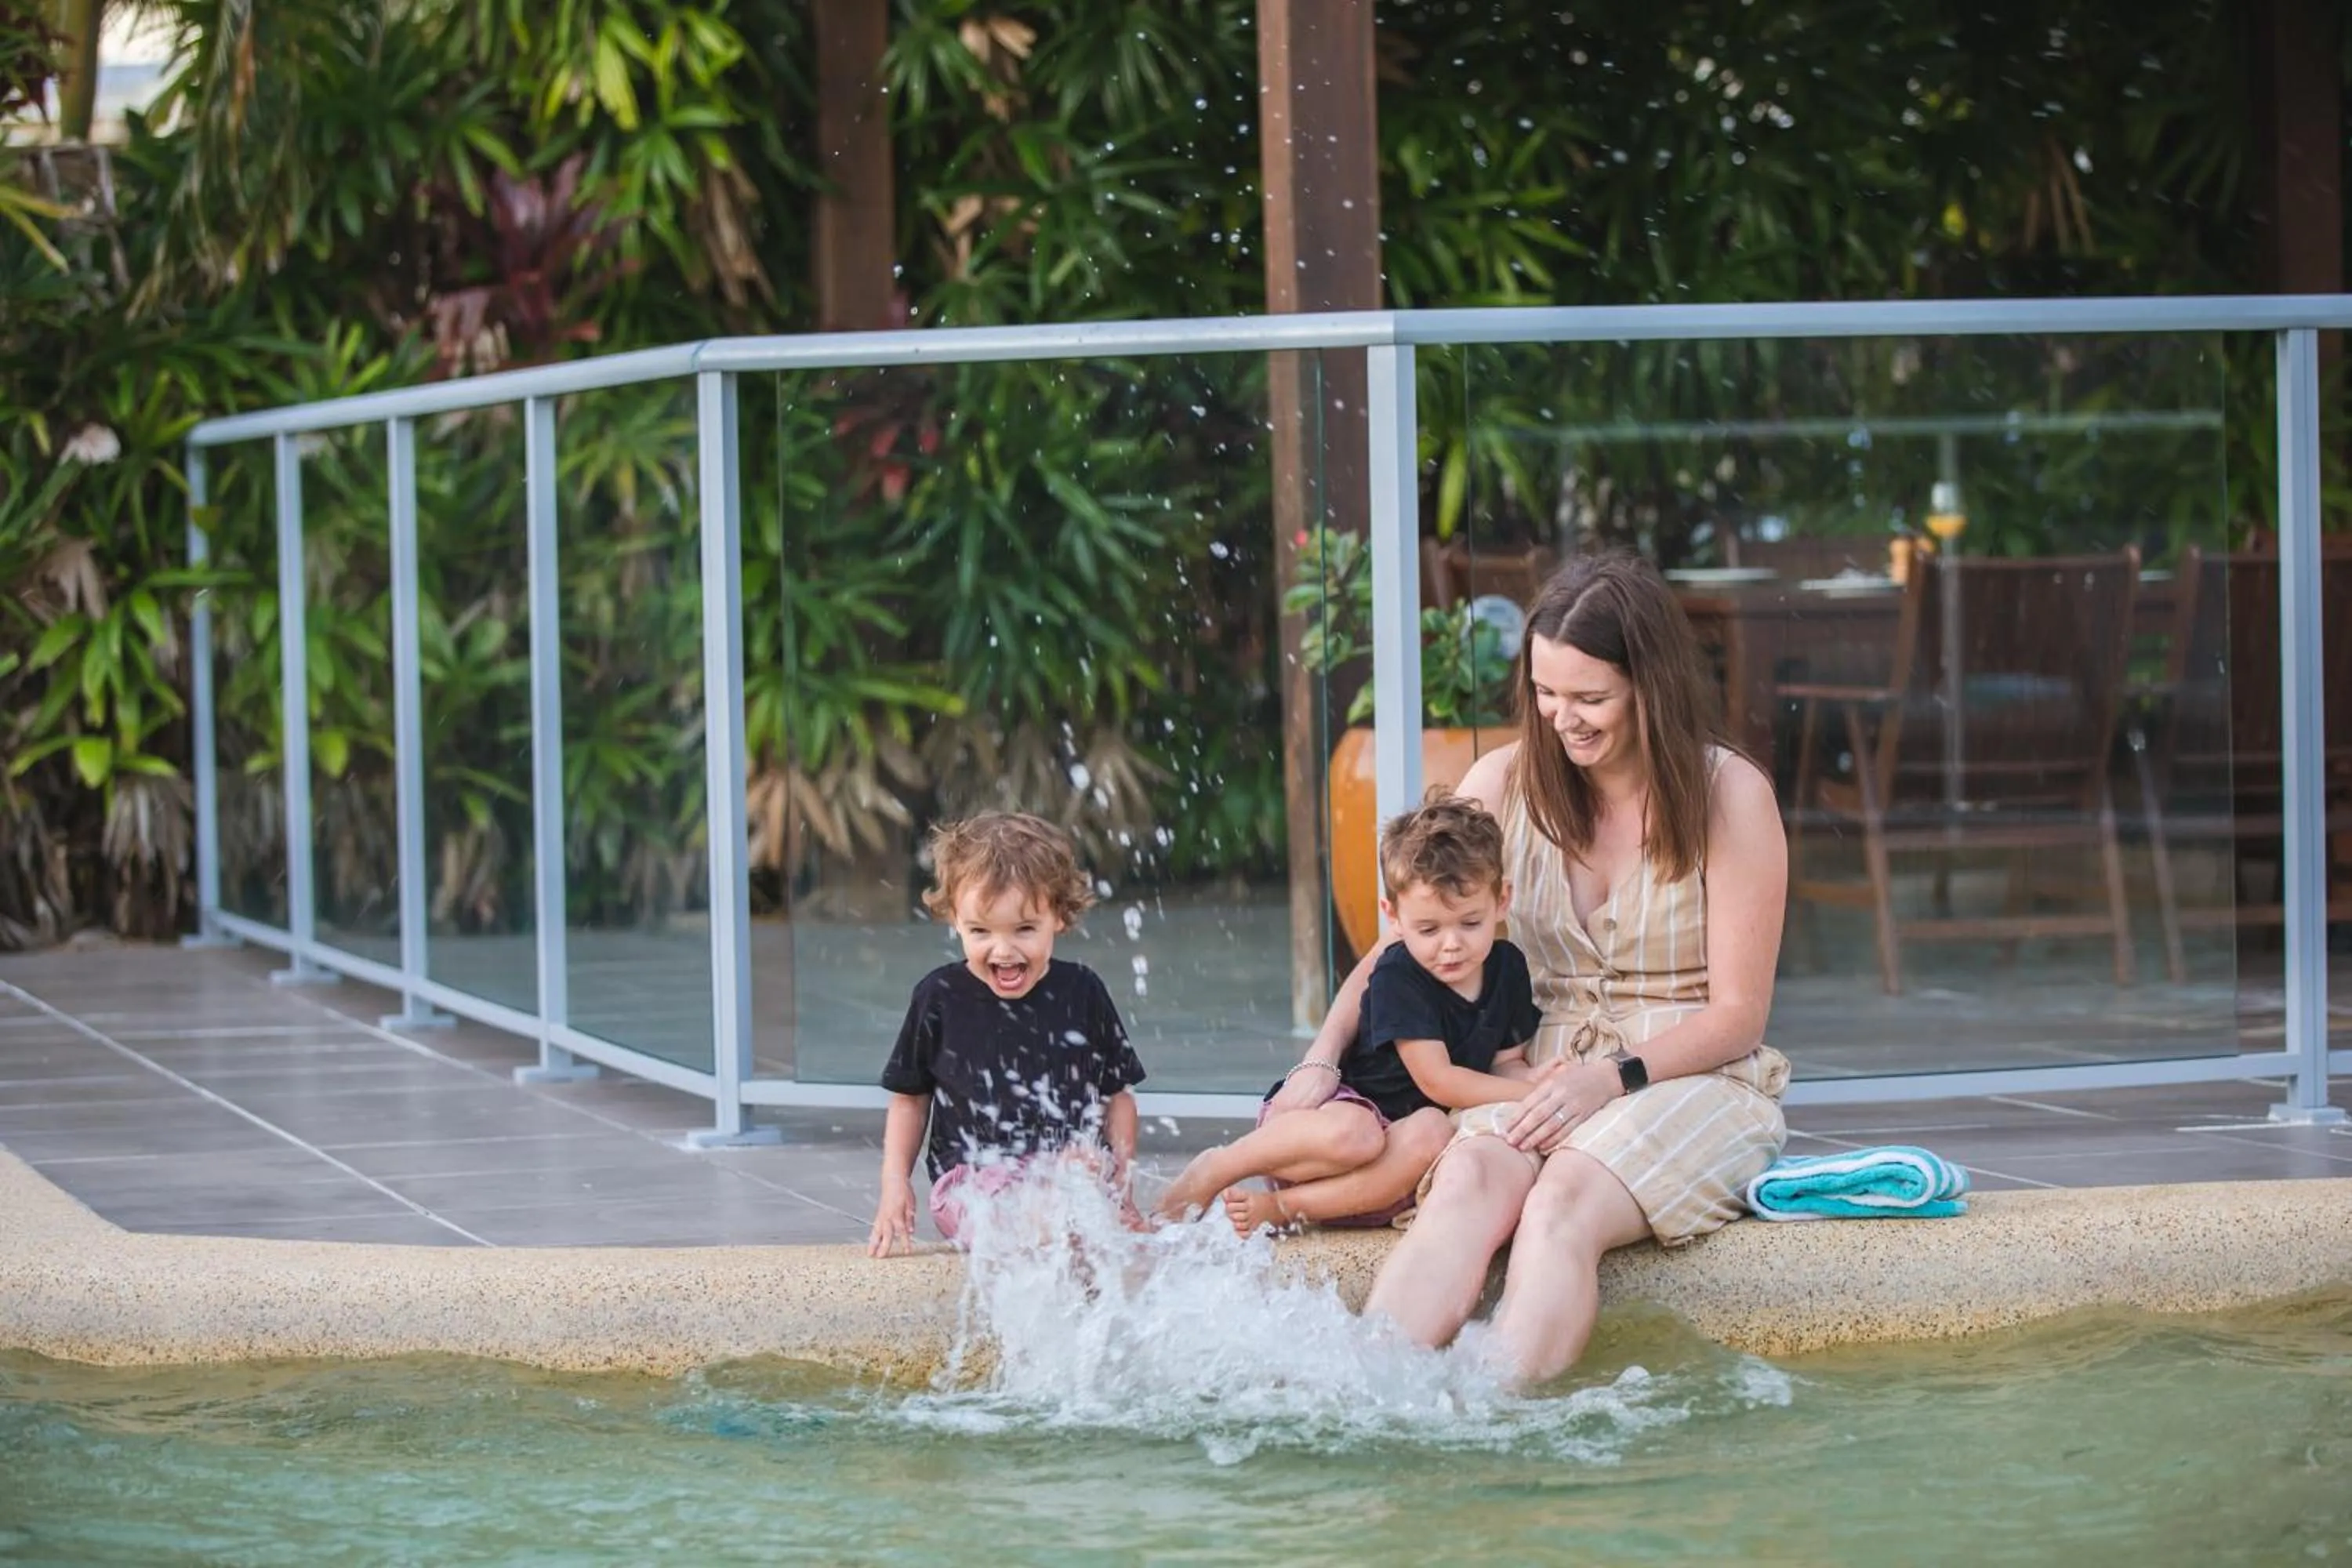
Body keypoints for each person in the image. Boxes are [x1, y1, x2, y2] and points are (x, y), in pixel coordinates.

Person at [1266, 549, 1791, 1388]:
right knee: (1469, 1179)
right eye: (1546, 693)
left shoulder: (1731, 795)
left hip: (1687, 1074)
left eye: (1590, 698)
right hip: (1531, 1071)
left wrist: (1609, 1078)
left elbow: (1739, 1014)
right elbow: (1401, 944)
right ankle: (1366, 1396)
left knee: (1561, 1202)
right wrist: (1321, 1058)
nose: (1561, 718)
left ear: (1650, 685)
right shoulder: (1504, 782)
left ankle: (1501, 1413)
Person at [1152, 794, 1546, 1236]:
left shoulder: (1508, 967)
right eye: (1429, 929)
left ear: (1502, 900)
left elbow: (1505, 1063)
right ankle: (1220, 1165)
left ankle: (1281, 1207)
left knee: (1434, 1131)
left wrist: (1540, 1081)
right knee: (1359, 1133)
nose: (1451, 944)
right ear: (1393, 916)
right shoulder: (1399, 973)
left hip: (1379, 1178)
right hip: (1320, 1134)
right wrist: (1531, 1093)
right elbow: (1437, 1081)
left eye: (1470, 924)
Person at [867, 811, 1146, 1257]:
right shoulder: (939, 997)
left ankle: (1073, 1219)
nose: (1003, 950)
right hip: (970, 1185)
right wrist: (894, 1183)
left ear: (1059, 916)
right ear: (955, 919)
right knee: (1049, 1211)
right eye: (980, 931)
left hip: (1063, 1175)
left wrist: (1121, 1188)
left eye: (1024, 929)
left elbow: (1117, 1096)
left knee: (1080, 1178)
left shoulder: (1082, 992)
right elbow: (910, 1099)